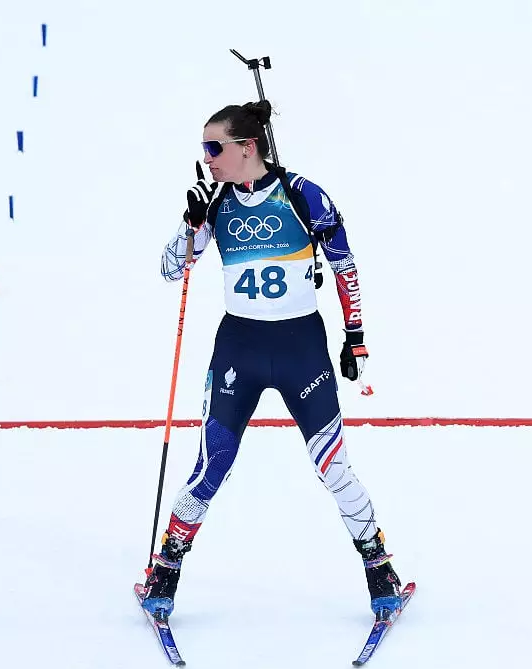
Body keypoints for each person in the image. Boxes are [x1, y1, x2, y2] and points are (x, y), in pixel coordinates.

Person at [139, 100, 406, 619]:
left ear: (247, 146)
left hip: (300, 349)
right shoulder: (214, 203)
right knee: (211, 465)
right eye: (204, 149)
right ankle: (165, 573)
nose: (208, 159)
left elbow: (344, 264)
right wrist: (190, 225)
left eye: (215, 148)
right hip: (239, 346)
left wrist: (356, 336)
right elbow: (173, 268)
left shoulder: (302, 194)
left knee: (333, 467)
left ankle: (379, 570)